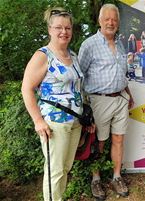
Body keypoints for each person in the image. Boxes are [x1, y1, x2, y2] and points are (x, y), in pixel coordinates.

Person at [21, 7, 88, 201]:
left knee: (65, 168)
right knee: (55, 171)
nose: (64, 32)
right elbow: (27, 89)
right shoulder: (43, 56)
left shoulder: (73, 56)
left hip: (75, 122)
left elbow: (77, 89)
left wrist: (86, 115)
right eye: (58, 27)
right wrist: (37, 121)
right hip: (54, 123)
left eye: (67, 27)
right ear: (50, 29)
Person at [78, 4, 134, 199]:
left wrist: (128, 94)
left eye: (114, 19)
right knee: (99, 142)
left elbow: (121, 73)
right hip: (99, 101)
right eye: (107, 19)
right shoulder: (89, 44)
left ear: (118, 23)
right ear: (100, 21)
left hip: (120, 98)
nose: (111, 22)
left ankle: (116, 176)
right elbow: (79, 75)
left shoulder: (120, 44)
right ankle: (96, 180)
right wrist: (84, 105)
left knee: (119, 139)